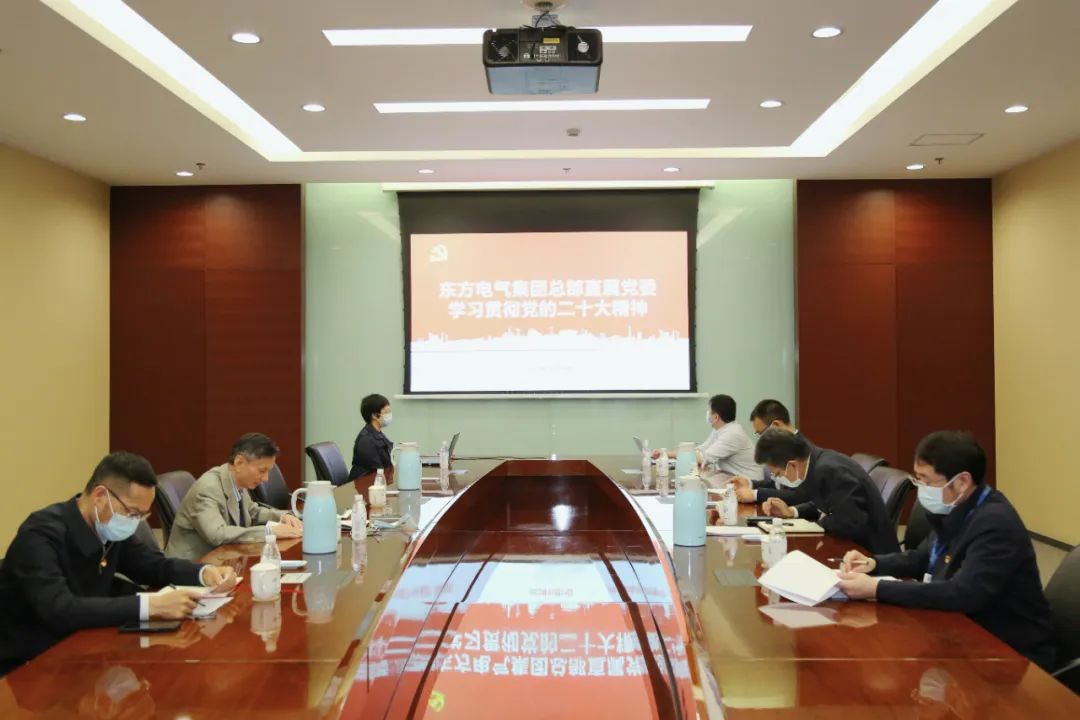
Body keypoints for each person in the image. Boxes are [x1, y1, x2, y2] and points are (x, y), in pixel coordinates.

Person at [0, 452, 238, 676]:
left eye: (142, 516)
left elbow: (152, 566)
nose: (135, 522)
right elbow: (60, 609)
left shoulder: (108, 529)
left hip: (87, 644)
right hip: (32, 663)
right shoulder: (40, 535)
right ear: (100, 496)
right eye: (132, 513)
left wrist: (205, 573)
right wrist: (151, 606)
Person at [837, 431, 1055, 670]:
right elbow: (922, 557)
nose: (922, 489)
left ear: (962, 482)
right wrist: (874, 564)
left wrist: (877, 588)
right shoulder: (957, 507)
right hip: (963, 631)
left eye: (928, 481)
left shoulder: (995, 523)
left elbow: (963, 593)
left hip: (1009, 652)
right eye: (918, 479)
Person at [754, 429, 899, 554]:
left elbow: (848, 521)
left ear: (792, 465)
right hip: (853, 547)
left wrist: (812, 526)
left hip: (870, 555)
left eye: (778, 474)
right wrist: (791, 512)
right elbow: (828, 502)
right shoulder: (816, 463)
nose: (778, 479)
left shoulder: (830, 470)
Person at [165, 433, 302, 561]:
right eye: (262, 471)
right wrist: (269, 531)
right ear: (239, 463)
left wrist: (282, 516)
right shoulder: (208, 489)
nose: (265, 479)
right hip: (193, 565)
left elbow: (252, 511)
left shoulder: (236, 481)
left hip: (225, 560)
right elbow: (218, 535)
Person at [732, 399, 812, 504]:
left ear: (776, 425)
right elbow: (778, 484)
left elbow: (800, 494)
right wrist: (750, 484)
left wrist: (755, 494)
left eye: (761, 433)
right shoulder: (784, 446)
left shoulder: (804, 450)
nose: (761, 439)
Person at [691, 394, 761, 478]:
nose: (707, 414)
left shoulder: (732, 434)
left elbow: (704, 457)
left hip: (750, 481)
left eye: (709, 411)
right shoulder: (720, 429)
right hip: (733, 476)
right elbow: (702, 449)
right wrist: (683, 452)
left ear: (716, 417)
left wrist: (681, 455)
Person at [348, 393, 394, 482]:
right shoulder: (366, 440)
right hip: (363, 484)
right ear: (374, 415)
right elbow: (378, 470)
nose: (389, 415)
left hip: (376, 482)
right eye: (386, 412)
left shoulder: (377, 433)